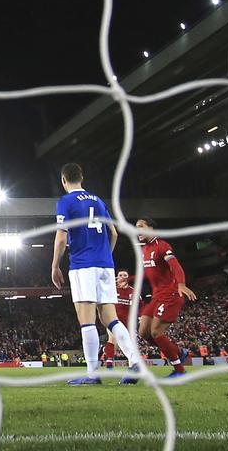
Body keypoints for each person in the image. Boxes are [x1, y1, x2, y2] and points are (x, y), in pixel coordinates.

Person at [50, 163, 142, 385]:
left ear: (64, 181)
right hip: (105, 265)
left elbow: (61, 237)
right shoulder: (98, 201)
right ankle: (134, 361)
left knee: (86, 319)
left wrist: (55, 266)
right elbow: (114, 233)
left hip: (83, 265)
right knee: (111, 318)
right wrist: (105, 258)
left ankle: (93, 374)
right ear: (82, 178)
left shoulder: (66, 201)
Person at [135, 219, 196, 378]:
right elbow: (146, 274)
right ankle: (178, 352)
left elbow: (175, 265)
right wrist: (126, 280)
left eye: (141, 227)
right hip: (156, 296)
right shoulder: (144, 250)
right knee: (143, 332)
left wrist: (181, 284)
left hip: (170, 294)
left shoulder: (162, 246)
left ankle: (179, 370)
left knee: (156, 332)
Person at [101, 269, 134, 369]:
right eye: (120, 275)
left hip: (127, 320)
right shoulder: (112, 289)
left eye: (125, 275)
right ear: (117, 277)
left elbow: (137, 306)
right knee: (112, 338)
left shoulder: (132, 291)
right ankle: (110, 361)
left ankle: (131, 363)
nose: (122, 277)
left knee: (127, 343)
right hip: (113, 318)